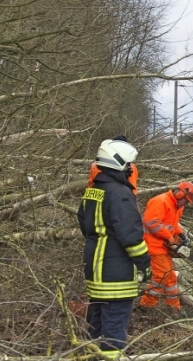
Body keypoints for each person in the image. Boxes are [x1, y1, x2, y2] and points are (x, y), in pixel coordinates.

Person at [78, 139, 150, 360]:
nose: (130, 169)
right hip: (115, 273)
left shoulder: (92, 191)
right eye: (128, 164)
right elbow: (131, 236)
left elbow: (84, 225)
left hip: (94, 268)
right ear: (118, 162)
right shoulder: (120, 193)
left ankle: (91, 356)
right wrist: (145, 264)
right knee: (114, 326)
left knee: (96, 321)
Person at [139, 181, 193, 313]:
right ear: (179, 194)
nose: (185, 204)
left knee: (171, 277)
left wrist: (180, 235)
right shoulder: (161, 201)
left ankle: (173, 307)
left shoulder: (177, 207)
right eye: (185, 201)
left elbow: (173, 224)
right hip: (153, 245)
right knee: (161, 275)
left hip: (163, 247)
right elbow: (151, 222)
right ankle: (147, 305)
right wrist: (169, 237)